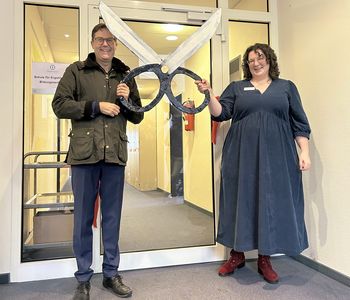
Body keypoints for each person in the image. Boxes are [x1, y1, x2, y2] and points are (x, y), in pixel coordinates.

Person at [196, 43, 311, 284]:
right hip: (241, 155)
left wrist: (304, 152)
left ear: (269, 60)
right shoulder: (237, 88)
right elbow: (220, 113)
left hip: (278, 156)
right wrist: (209, 94)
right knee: (242, 200)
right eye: (251, 60)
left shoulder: (286, 88)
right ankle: (236, 255)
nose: (256, 63)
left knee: (269, 202)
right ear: (247, 65)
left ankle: (264, 259)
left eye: (260, 58)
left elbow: (299, 123)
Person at [52, 23, 144, 299]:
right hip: (84, 155)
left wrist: (128, 101)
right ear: (93, 43)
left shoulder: (126, 75)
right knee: (82, 218)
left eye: (110, 40)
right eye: (100, 39)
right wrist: (95, 106)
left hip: (115, 154)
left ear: (115, 43)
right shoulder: (76, 71)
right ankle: (82, 278)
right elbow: (59, 105)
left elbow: (138, 115)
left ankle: (111, 274)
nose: (106, 44)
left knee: (112, 218)